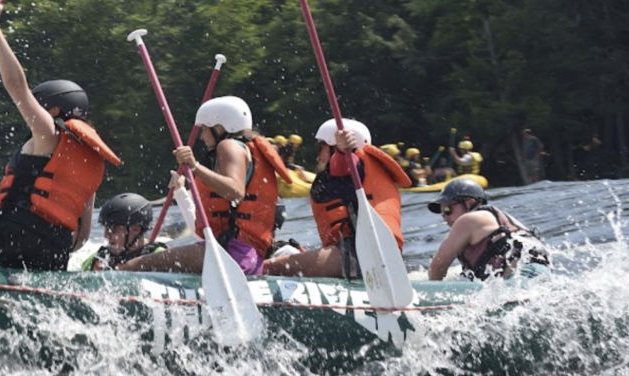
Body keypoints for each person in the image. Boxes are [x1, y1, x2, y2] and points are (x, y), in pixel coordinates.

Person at [0, 0, 121, 270]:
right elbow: (82, 235)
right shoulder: (91, 161)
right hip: (56, 248)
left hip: (12, 231)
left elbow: (16, 85)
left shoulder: (48, 131)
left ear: (52, 108)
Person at [119, 96, 291, 275]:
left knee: (133, 266)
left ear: (219, 127)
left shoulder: (228, 146)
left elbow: (235, 191)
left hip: (230, 254)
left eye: (204, 129)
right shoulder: (246, 148)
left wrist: (195, 166)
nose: (201, 137)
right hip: (247, 256)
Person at [264, 118, 411, 278]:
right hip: (367, 252)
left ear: (334, 147)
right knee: (283, 252)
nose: (318, 157)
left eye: (320, 148)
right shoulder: (358, 173)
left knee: (266, 269)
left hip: (362, 254)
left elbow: (345, 166)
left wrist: (342, 152)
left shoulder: (355, 166)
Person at [427, 178, 550, 281]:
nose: (445, 218)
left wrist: (430, 294)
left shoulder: (467, 220)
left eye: (448, 210)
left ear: (469, 203)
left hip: (520, 277)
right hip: (542, 275)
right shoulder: (502, 219)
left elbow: (437, 266)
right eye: (442, 213)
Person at [81, 193, 166, 271]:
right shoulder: (96, 259)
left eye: (112, 229)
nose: (106, 235)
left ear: (135, 229)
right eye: (105, 228)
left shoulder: (160, 257)